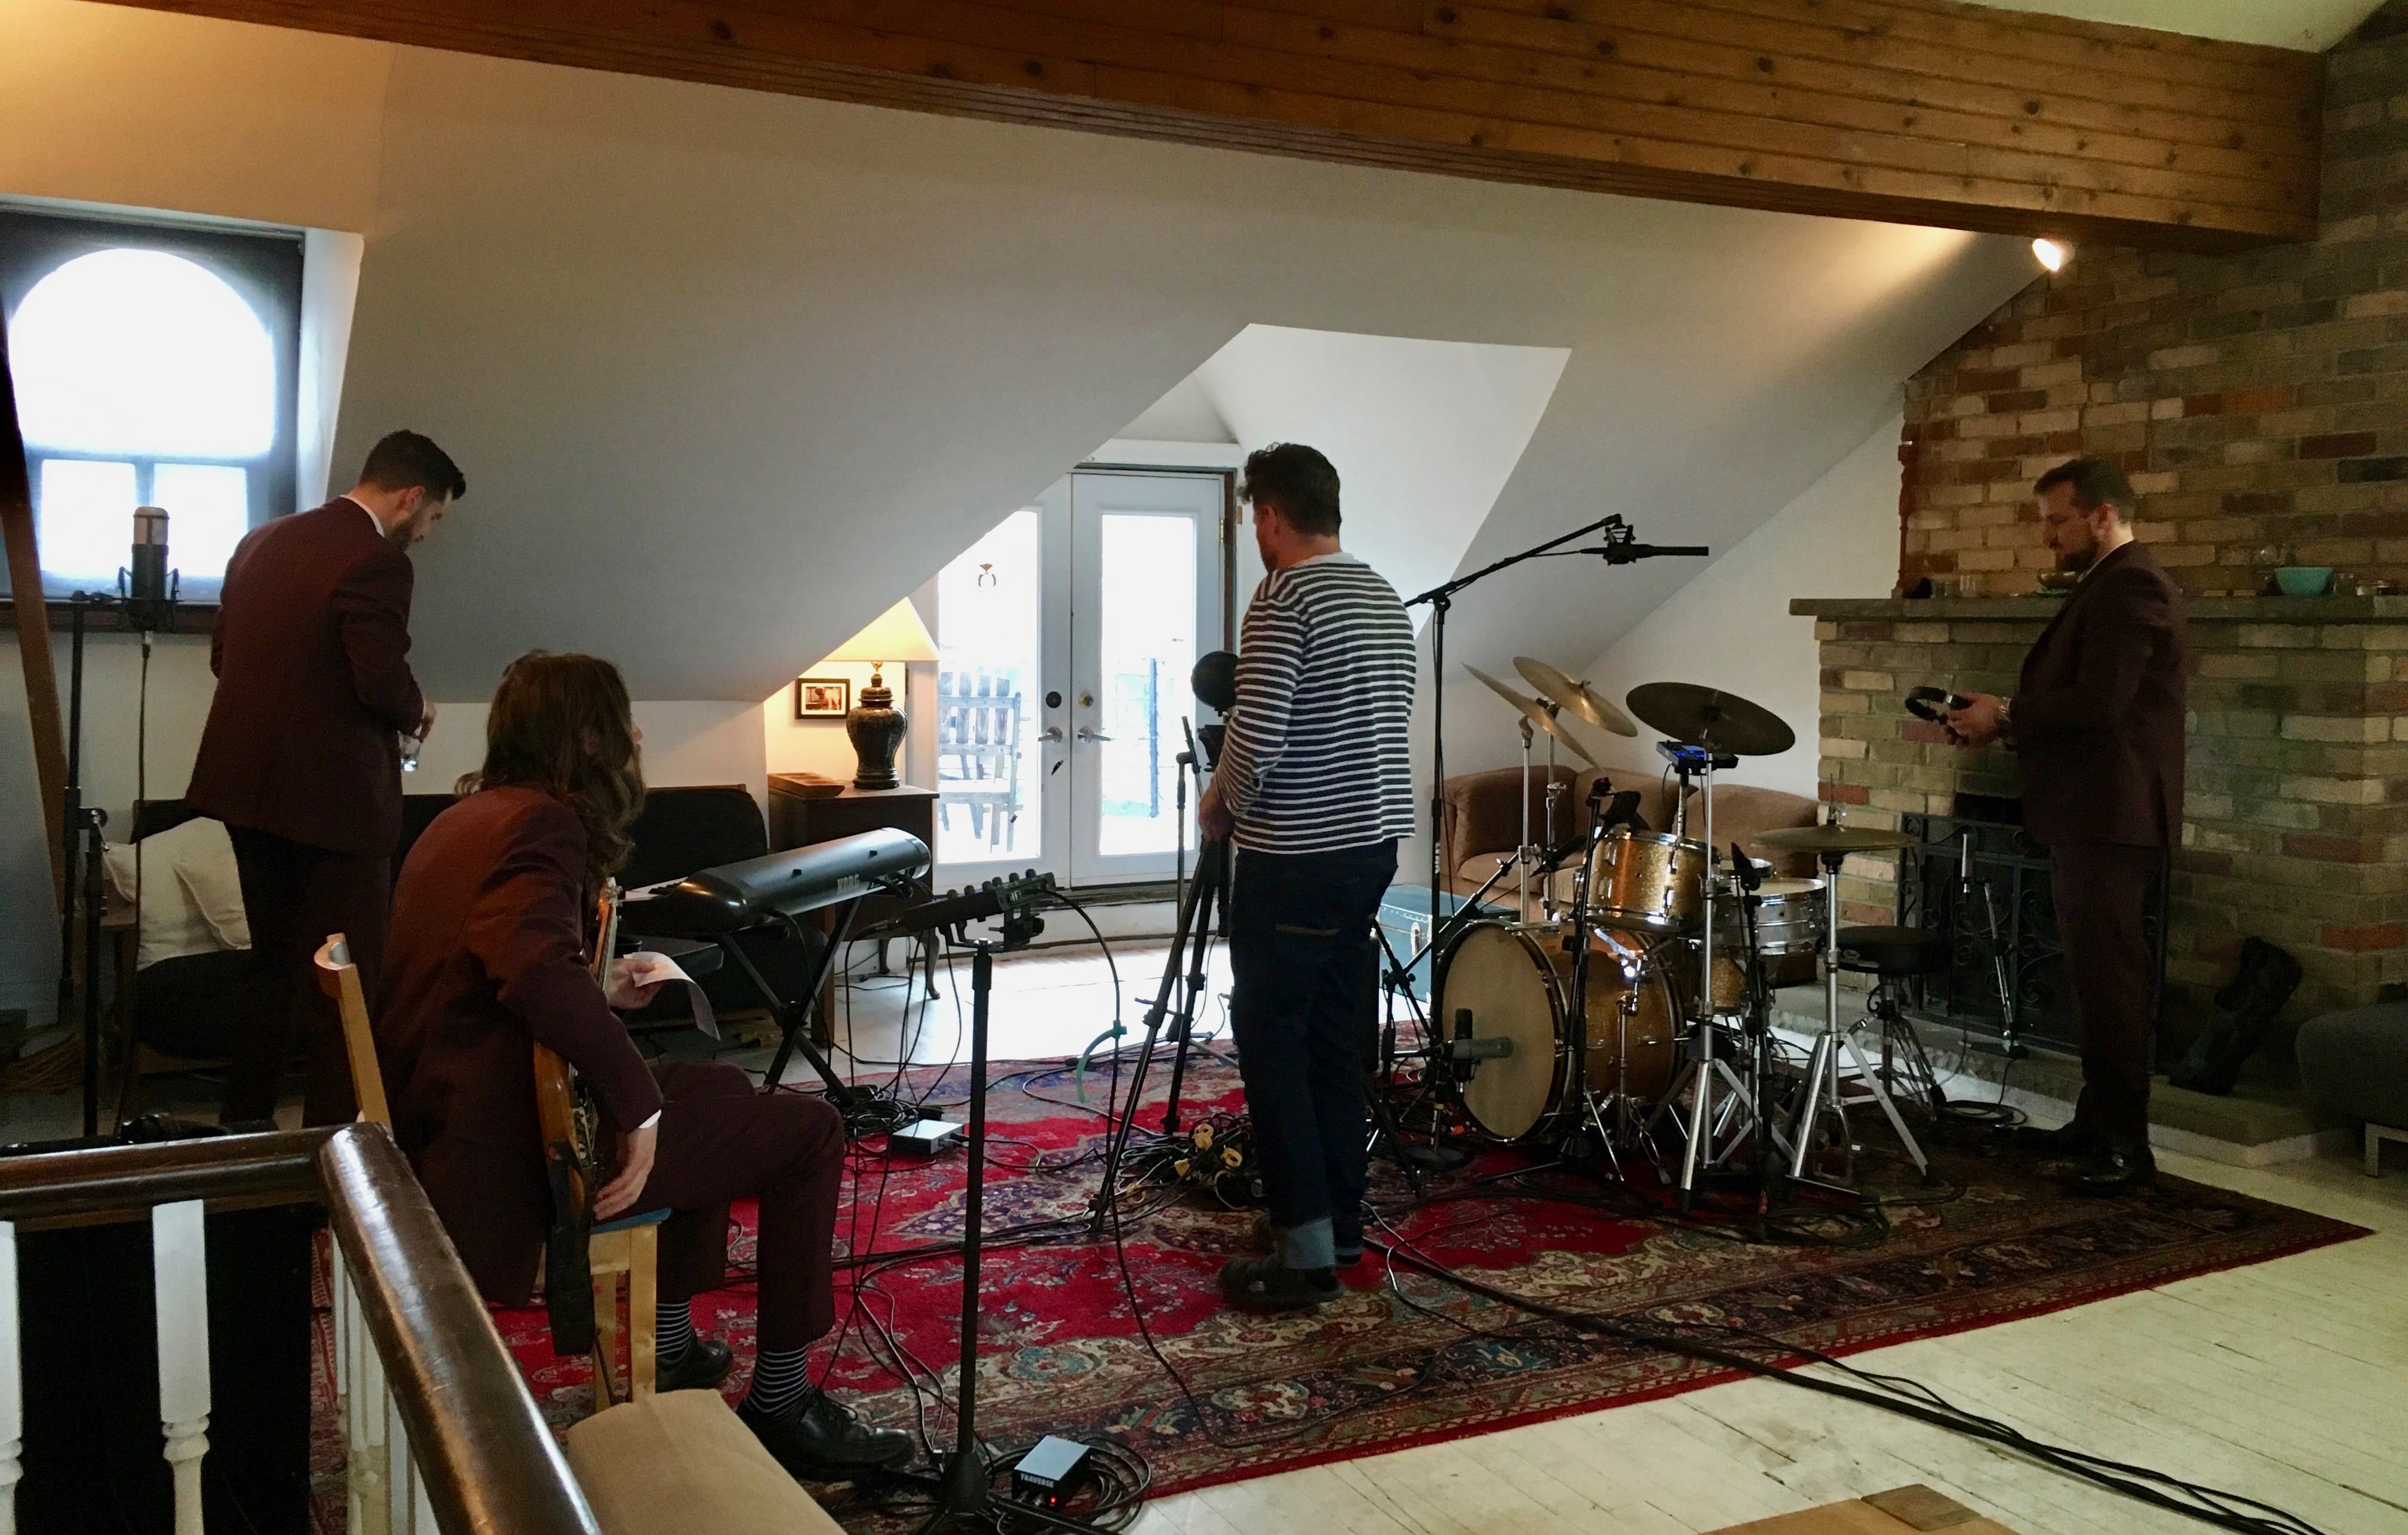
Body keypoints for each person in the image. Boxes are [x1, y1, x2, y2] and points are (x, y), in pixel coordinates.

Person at [376, 652, 910, 1480]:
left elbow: (492, 976)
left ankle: (671, 1345)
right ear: (589, 737)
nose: (635, 736)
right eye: (621, 722)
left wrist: (603, 992)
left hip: (450, 1112)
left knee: (720, 1085)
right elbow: (533, 972)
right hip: (507, 1148)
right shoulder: (542, 825)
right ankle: (782, 1402)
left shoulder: (468, 816)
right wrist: (638, 1106)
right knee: (810, 1131)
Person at [188, 431, 462, 1125]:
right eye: (433, 517)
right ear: (411, 497)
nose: (426, 535)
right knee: (347, 979)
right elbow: (379, 680)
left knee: (271, 965)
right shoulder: (377, 559)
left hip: (243, 791)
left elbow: (224, 656)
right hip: (334, 807)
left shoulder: (262, 540)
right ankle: (338, 1140)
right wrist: (420, 709)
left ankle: (242, 1125)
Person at [1199, 443, 1415, 1310]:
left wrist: (1219, 802)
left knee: (1272, 1041)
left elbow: (1258, 731)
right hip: (1370, 850)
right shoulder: (1383, 594)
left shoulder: (1284, 594)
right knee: (1331, 1039)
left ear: (1269, 515)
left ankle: (1303, 1254)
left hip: (1296, 858)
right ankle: (1340, 1225)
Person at [1945, 458, 2187, 1196]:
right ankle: (2097, 1120)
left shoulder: (2133, 583)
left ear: (2102, 515)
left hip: (2112, 813)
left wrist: (2006, 714)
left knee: (2111, 978)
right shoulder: (2108, 583)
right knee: (2093, 973)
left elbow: (2102, 703)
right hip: (2091, 809)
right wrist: (1999, 717)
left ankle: (2126, 1145)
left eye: (2058, 520)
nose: (2048, 536)